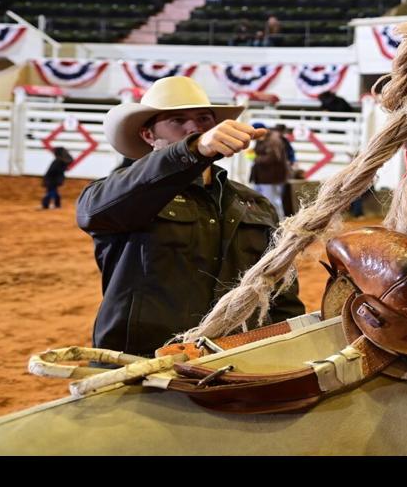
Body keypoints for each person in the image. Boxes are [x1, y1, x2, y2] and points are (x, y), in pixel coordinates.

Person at [78, 76, 304, 356]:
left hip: (233, 361)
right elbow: (93, 210)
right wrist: (192, 151)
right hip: (142, 362)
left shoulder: (254, 204)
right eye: (177, 120)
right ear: (148, 135)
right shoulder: (119, 195)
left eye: (203, 118)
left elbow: (278, 290)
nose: (194, 127)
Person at [248, 127, 289, 218]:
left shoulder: (273, 140)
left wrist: (255, 158)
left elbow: (274, 157)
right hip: (261, 177)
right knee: (260, 201)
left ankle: (280, 224)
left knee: (272, 202)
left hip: (271, 177)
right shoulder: (263, 139)